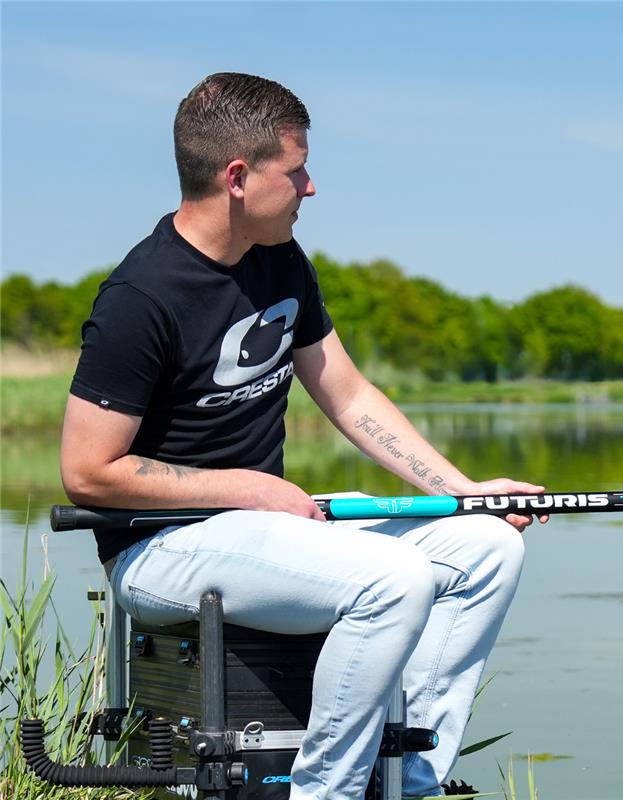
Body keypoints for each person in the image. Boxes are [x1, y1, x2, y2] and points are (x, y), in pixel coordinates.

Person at [60, 72, 547, 800]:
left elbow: (348, 394)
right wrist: (247, 489)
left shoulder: (280, 260)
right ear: (236, 178)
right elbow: (87, 471)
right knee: (394, 578)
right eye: (296, 171)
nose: (310, 188)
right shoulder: (141, 297)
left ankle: (406, 781)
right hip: (158, 548)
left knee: (487, 548)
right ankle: (327, 793)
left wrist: (463, 493)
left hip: (268, 527)